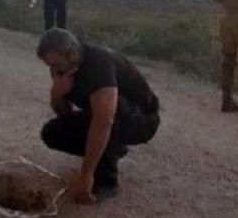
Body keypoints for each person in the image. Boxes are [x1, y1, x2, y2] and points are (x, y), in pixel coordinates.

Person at [38, 28, 160, 203]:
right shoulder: (62, 69)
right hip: (106, 116)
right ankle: (114, 151)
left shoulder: (99, 64)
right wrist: (56, 94)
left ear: (72, 55)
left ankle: (106, 182)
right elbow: (66, 116)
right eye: (50, 66)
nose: (53, 70)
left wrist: (86, 173)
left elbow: (104, 122)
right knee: (52, 133)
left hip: (143, 121)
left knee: (110, 111)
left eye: (56, 64)